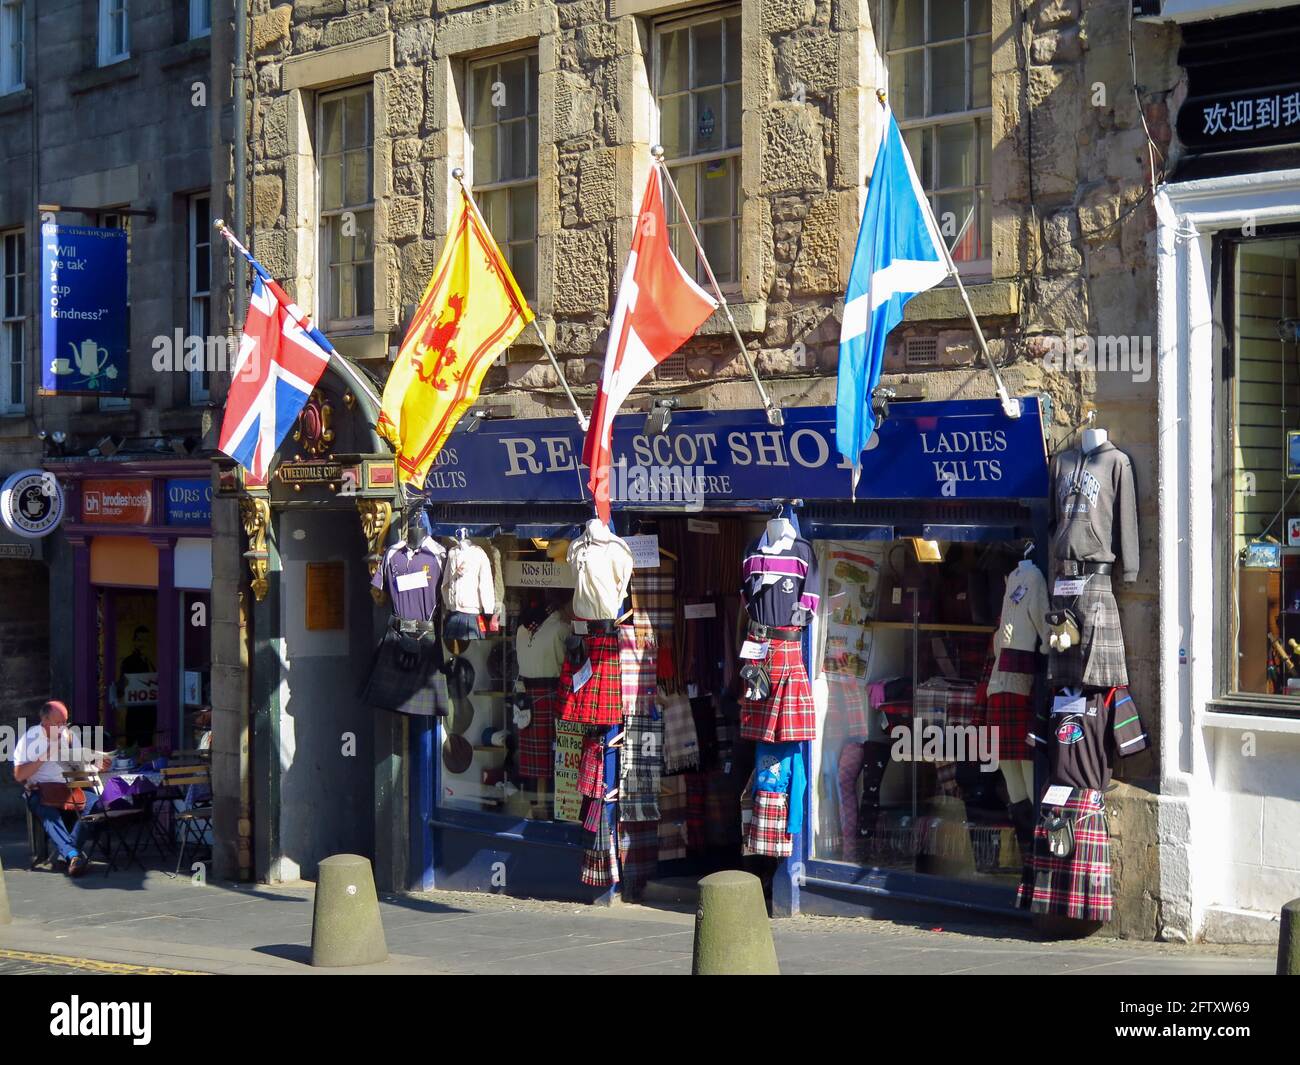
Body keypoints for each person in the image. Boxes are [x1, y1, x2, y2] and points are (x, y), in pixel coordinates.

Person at [13, 701, 108, 876]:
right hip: (41, 789)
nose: (63, 726)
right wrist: (46, 754)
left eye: (65, 722)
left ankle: (67, 856)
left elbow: (79, 767)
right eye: (58, 723)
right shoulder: (29, 739)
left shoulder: (69, 735)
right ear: (44, 720)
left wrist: (93, 766)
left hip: (70, 787)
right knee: (49, 814)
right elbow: (19, 775)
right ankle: (72, 855)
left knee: (98, 806)